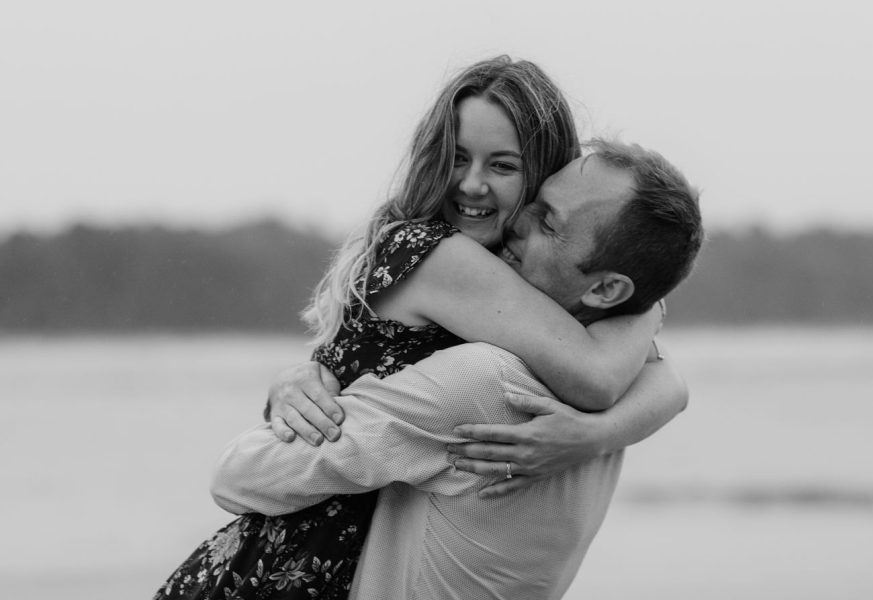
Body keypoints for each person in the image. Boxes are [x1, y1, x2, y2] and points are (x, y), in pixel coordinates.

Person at [153, 57, 685, 600]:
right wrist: (615, 385)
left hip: (352, 548)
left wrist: (596, 433)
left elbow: (665, 381)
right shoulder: (438, 254)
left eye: (502, 165)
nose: (471, 184)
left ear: (542, 174)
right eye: (456, 158)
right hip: (290, 558)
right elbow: (600, 374)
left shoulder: (523, 277)